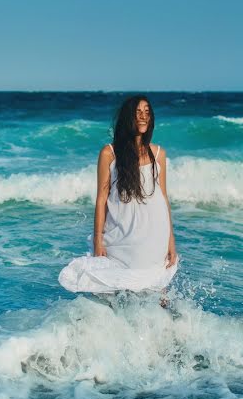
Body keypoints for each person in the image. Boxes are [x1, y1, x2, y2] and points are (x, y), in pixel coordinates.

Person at [58, 95, 178, 296]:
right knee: (117, 291)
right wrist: (98, 240)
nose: (143, 117)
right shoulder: (109, 153)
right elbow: (101, 198)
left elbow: (163, 198)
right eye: (138, 112)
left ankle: (164, 325)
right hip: (121, 234)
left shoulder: (158, 154)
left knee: (157, 291)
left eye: (147, 112)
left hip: (155, 232)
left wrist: (171, 241)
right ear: (127, 117)